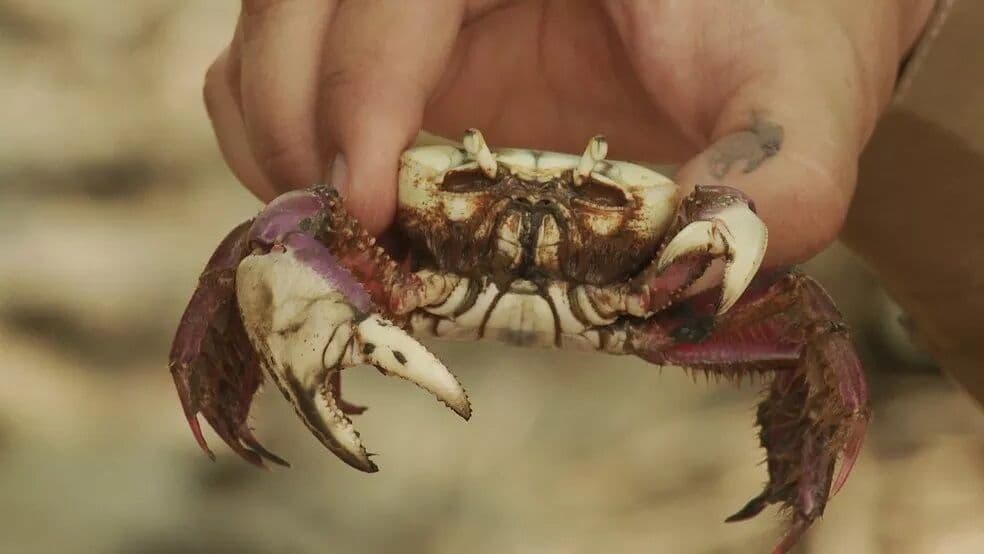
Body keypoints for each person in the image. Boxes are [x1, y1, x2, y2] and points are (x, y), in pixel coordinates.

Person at [206, 1, 984, 405]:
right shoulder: (387, 261)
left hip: (632, 292)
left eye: (597, 193)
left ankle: (800, 491)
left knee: (810, 322)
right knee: (277, 235)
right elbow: (279, 238)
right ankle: (222, 401)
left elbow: (810, 335)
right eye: (474, 181)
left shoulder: (669, 290)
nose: (532, 225)